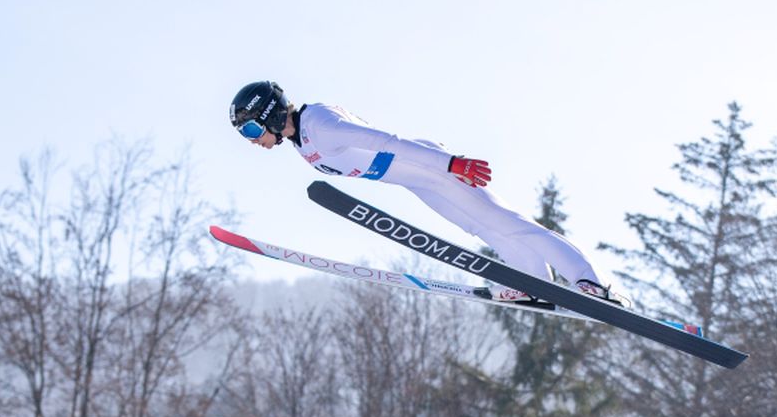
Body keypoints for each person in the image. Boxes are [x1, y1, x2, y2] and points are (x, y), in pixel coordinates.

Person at [227, 80, 628, 305]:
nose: (250, 140)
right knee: (484, 229)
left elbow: (388, 140)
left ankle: (591, 282)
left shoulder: (320, 124)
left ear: (268, 114)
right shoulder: (303, 141)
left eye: (249, 130)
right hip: (417, 180)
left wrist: (449, 163)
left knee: (509, 223)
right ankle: (532, 282)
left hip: (427, 168)